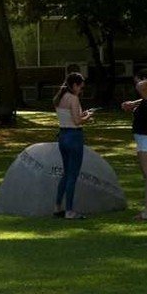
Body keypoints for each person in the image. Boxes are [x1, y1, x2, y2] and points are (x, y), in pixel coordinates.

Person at [121, 69, 147, 220]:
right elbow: (144, 95)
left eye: (138, 81)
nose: (137, 86)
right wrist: (133, 103)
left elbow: (140, 86)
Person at [52, 72, 94, 219]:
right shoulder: (73, 98)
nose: (81, 90)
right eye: (81, 87)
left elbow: (70, 117)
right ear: (74, 85)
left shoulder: (60, 97)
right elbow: (77, 121)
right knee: (72, 175)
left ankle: (57, 206)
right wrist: (88, 117)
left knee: (66, 173)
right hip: (74, 137)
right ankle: (69, 211)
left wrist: (83, 114)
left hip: (63, 136)